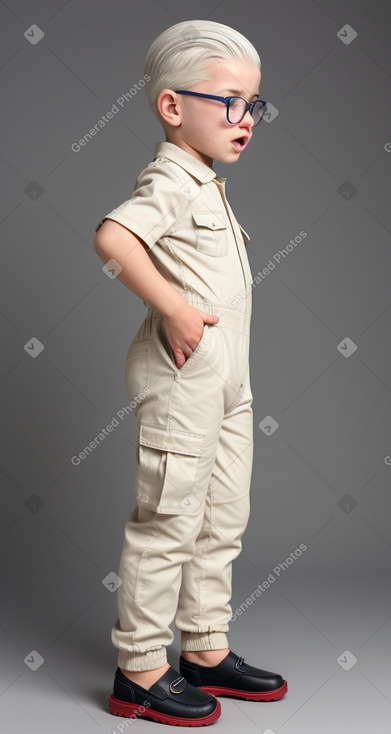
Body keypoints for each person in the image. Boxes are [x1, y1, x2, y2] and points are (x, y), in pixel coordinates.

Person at [93, 18, 287, 727]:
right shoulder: (171, 177)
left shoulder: (206, 182)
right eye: (228, 101)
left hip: (227, 383)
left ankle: (204, 648)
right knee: (168, 520)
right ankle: (139, 668)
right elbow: (113, 238)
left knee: (221, 518)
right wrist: (172, 308)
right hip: (181, 381)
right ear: (172, 107)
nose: (246, 120)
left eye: (254, 104)